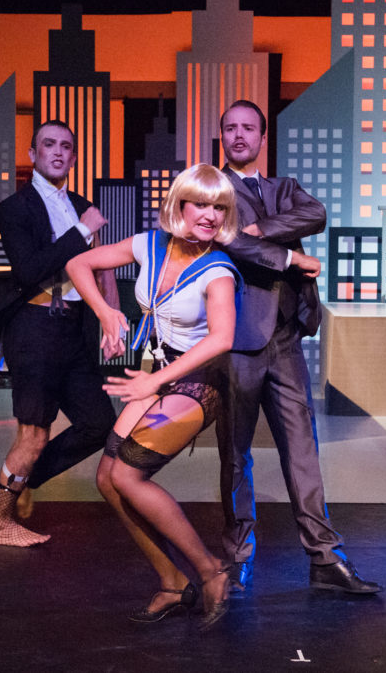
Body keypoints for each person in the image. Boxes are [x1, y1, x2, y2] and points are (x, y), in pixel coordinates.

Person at [66, 163, 242, 629]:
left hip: (200, 380)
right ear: (179, 205)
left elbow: (222, 338)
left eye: (219, 207)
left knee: (128, 474)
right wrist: (106, 312)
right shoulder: (149, 245)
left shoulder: (218, 270)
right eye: (200, 204)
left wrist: (153, 382)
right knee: (107, 479)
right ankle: (171, 581)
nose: (210, 215)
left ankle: (211, 570)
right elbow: (78, 263)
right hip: (156, 374)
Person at [216, 100, 381, 594]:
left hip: (286, 338)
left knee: (303, 450)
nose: (239, 135)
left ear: (262, 137)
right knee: (235, 454)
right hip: (238, 338)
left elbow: (316, 213)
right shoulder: (212, 188)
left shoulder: (283, 188)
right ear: (221, 136)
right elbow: (225, 240)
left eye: (248, 128)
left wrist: (262, 229)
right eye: (231, 128)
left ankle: (325, 558)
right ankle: (237, 557)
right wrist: (288, 257)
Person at [0, 120, 124, 548]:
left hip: (74, 330)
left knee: (99, 423)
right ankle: (0, 523)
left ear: (75, 157)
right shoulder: (14, 208)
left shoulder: (82, 205)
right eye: (49, 144)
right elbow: (30, 270)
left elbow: (101, 266)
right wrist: (82, 230)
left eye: (66, 146)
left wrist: (111, 315)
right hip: (34, 328)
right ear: (33, 154)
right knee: (34, 433)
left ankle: (28, 479)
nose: (58, 152)